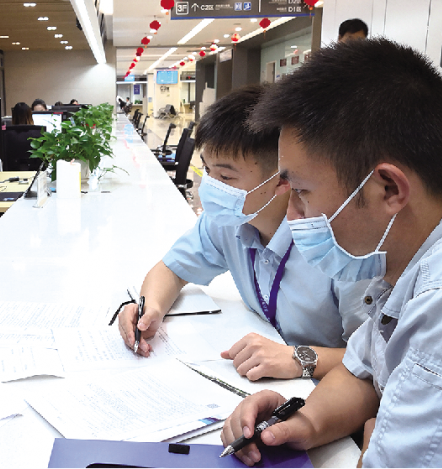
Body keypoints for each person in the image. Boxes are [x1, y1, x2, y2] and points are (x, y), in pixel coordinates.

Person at [220, 39, 442, 467]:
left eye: (302, 191)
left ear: (388, 188)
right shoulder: (408, 254)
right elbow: (362, 370)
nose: (292, 214)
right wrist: (303, 421)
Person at [118, 85, 368, 381]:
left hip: (327, 389)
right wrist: (150, 309)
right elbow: (171, 270)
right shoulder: (228, 220)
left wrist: (298, 359)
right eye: (207, 171)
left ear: (283, 180)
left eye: (226, 176)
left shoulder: (337, 246)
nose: (211, 187)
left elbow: (377, 358)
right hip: (265, 381)